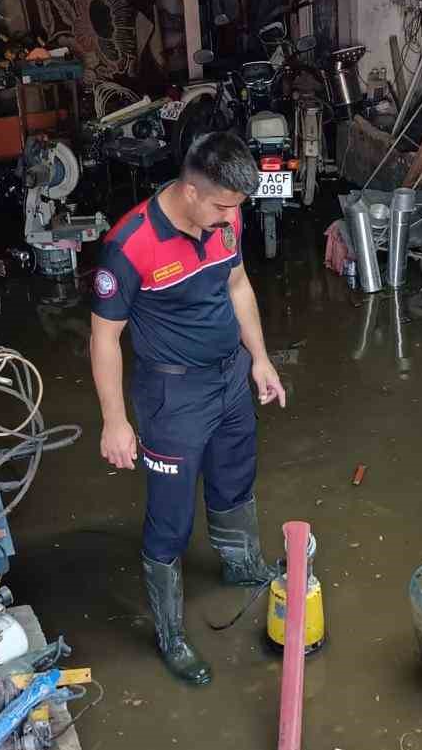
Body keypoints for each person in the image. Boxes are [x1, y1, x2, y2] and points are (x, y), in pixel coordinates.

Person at [89, 132, 286, 685]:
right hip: (172, 396)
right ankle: (171, 634)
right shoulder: (131, 244)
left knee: (234, 478)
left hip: (229, 380)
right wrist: (114, 420)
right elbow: (105, 338)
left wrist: (260, 360)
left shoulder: (226, 221)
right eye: (223, 205)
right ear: (191, 191)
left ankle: (242, 565)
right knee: (170, 519)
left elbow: (239, 285)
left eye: (237, 208)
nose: (232, 217)